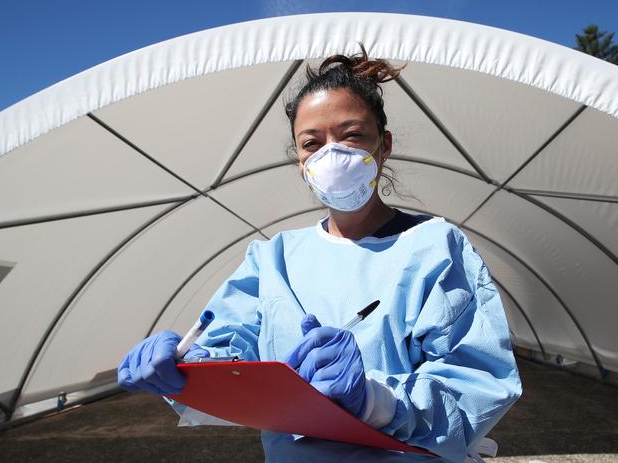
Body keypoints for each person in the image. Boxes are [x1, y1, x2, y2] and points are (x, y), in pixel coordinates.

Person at [117, 46, 522, 462]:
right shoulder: (274, 259)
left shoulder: (435, 247)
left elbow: (477, 381)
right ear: (300, 161)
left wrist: (374, 399)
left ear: (384, 145)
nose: (333, 155)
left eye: (351, 135)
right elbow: (230, 355)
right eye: (312, 143)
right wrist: (187, 370)